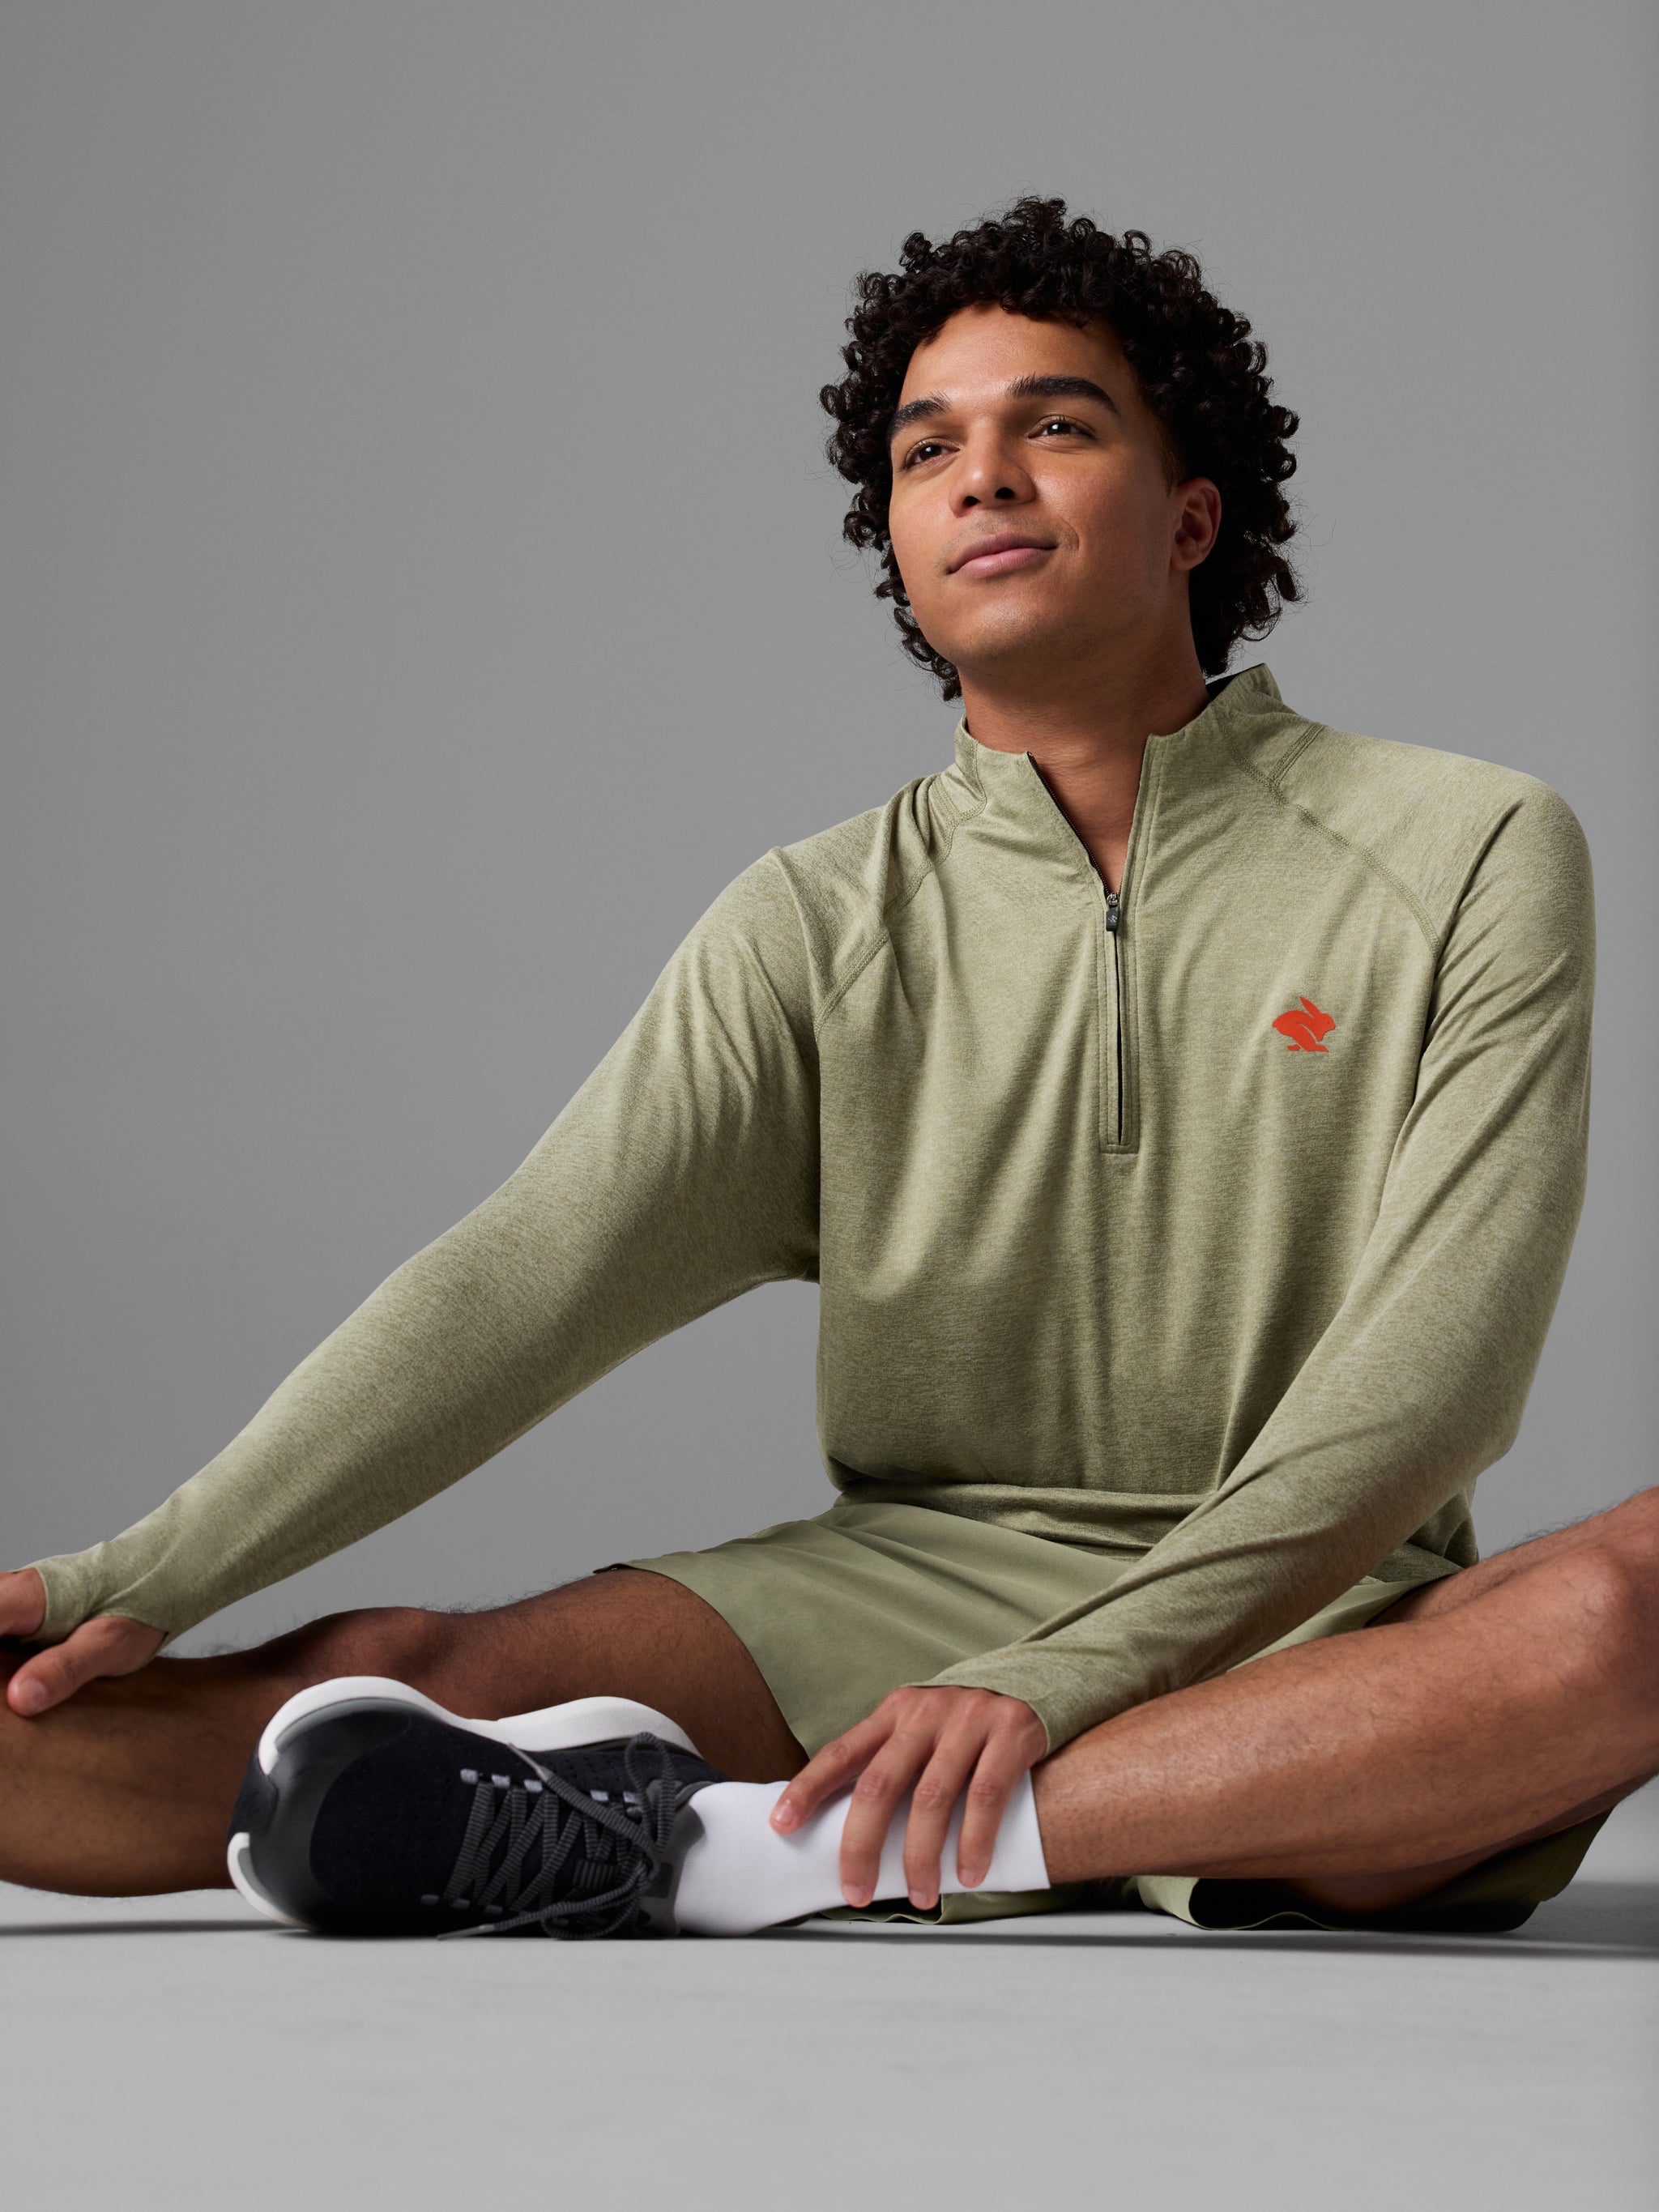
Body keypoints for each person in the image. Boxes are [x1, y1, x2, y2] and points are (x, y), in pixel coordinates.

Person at [2, 199, 1653, 1941]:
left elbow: (1436, 1385)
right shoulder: (816, 921)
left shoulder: (1466, 846)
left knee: (1624, 1613)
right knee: (378, 1684)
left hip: (1319, 1620)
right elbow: (523, 1279)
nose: (983, 474)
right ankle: (916, 1825)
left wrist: (1067, 1674)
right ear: (898, 543)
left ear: (1191, 515)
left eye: (1056, 424)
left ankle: (754, 1855)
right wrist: (151, 1565)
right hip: (903, 1595)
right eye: (928, 448)